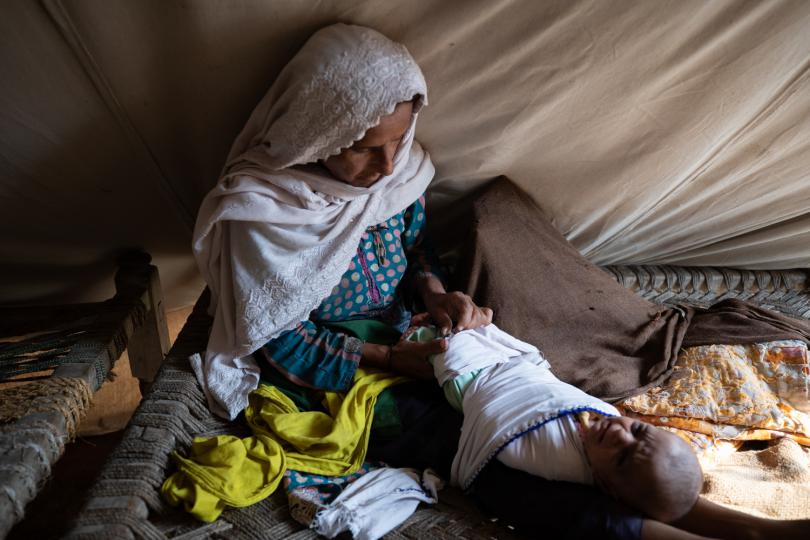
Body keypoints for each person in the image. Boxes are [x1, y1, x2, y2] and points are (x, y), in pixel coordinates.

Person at [191, 23, 808, 540]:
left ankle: (720, 518)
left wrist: (436, 294)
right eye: (363, 147)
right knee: (494, 463)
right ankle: (666, 531)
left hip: (420, 336)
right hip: (340, 370)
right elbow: (274, 339)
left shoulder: (396, 179)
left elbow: (416, 252)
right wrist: (391, 358)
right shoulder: (263, 215)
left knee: (552, 409)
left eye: (400, 140)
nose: (386, 165)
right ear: (316, 132)